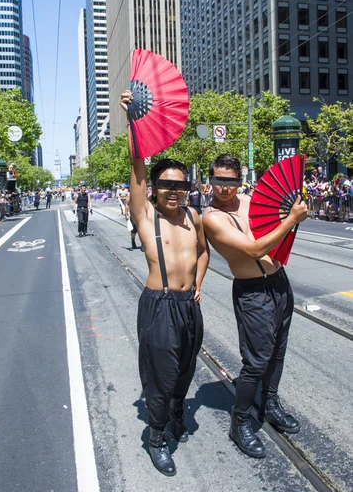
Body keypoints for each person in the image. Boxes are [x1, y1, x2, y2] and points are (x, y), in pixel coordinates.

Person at [120, 90, 209, 477]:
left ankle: (177, 411)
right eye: (167, 186)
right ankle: (155, 438)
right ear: (155, 189)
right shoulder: (146, 215)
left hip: (190, 305)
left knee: (186, 368)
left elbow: (204, 252)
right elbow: (137, 167)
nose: (175, 191)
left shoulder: (194, 217)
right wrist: (133, 119)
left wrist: (200, 281)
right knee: (161, 373)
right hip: (159, 305)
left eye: (181, 186)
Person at [202, 154, 308, 459]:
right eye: (219, 180)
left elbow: (280, 227)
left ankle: (270, 404)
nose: (224, 188)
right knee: (256, 361)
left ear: (239, 180)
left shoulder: (252, 201)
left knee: (277, 353)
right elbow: (253, 249)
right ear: (211, 180)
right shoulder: (211, 217)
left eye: (231, 181)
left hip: (279, 283)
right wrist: (291, 220)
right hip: (252, 293)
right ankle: (240, 421)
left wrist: (296, 210)